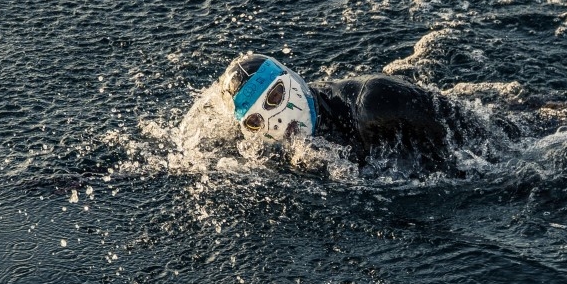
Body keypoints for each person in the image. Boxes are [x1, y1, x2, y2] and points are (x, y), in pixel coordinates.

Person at [219, 53, 516, 170]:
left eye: (275, 97)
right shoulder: (271, 154)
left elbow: (493, 146)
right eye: (257, 121)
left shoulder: (375, 104)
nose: (277, 120)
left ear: (294, 80)